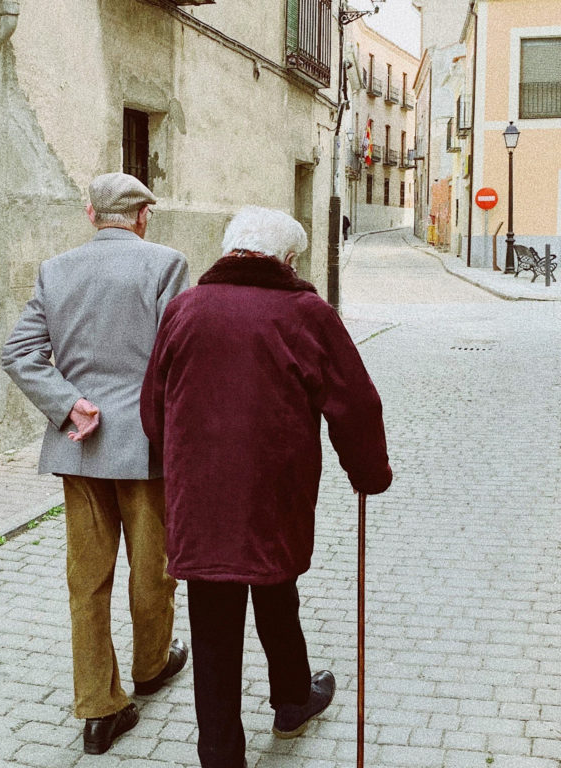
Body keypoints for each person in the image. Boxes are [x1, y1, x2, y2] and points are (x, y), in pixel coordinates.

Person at [140, 206, 392, 768]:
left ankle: (223, 751)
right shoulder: (306, 312)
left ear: (229, 251)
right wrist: (369, 472)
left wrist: (178, 461)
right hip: (274, 492)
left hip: (201, 498)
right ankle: (293, 699)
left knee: (212, 622)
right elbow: (356, 403)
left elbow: (153, 407)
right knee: (277, 589)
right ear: (289, 259)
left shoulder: (184, 310)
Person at [1, 172, 191, 756]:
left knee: (87, 579)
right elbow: (176, 355)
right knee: (151, 566)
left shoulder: (56, 269)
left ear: (90, 214)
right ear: (142, 216)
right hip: (147, 447)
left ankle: (98, 708)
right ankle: (151, 665)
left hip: (80, 446)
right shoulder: (167, 264)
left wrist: (68, 403)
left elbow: (18, 354)